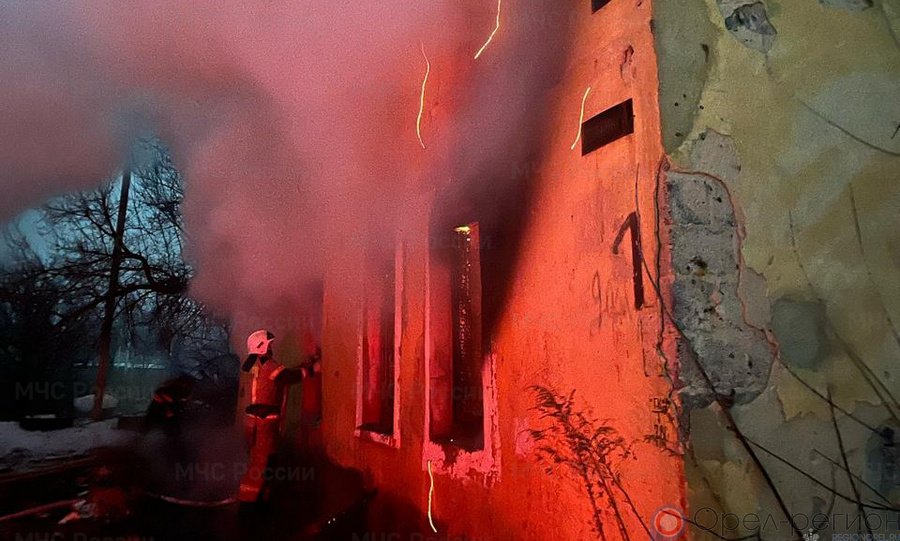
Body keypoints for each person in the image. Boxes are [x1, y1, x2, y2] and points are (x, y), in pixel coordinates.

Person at [238, 329, 320, 504]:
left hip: (252, 421)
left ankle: (257, 496)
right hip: (264, 422)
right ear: (262, 347)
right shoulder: (268, 365)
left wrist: (304, 364)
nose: (271, 349)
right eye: (269, 346)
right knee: (265, 461)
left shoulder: (249, 365)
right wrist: (313, 369)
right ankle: (253, 501)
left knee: (258, 460)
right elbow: (288, 377)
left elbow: (279, 375)